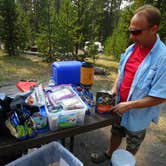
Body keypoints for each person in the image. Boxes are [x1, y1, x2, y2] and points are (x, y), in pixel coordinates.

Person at [91, 4, 166, 163]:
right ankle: (109, 154)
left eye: (136, 32)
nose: (132, 36)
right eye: (130, 31)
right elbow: (121, 72)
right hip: (120, 107)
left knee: (132, 143)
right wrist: (113, 90)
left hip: (138, 115)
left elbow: (160, 96)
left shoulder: (163, 58)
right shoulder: (132, 48)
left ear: (154, 29)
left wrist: (130, 105)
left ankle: (124, 161)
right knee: (116, 132)